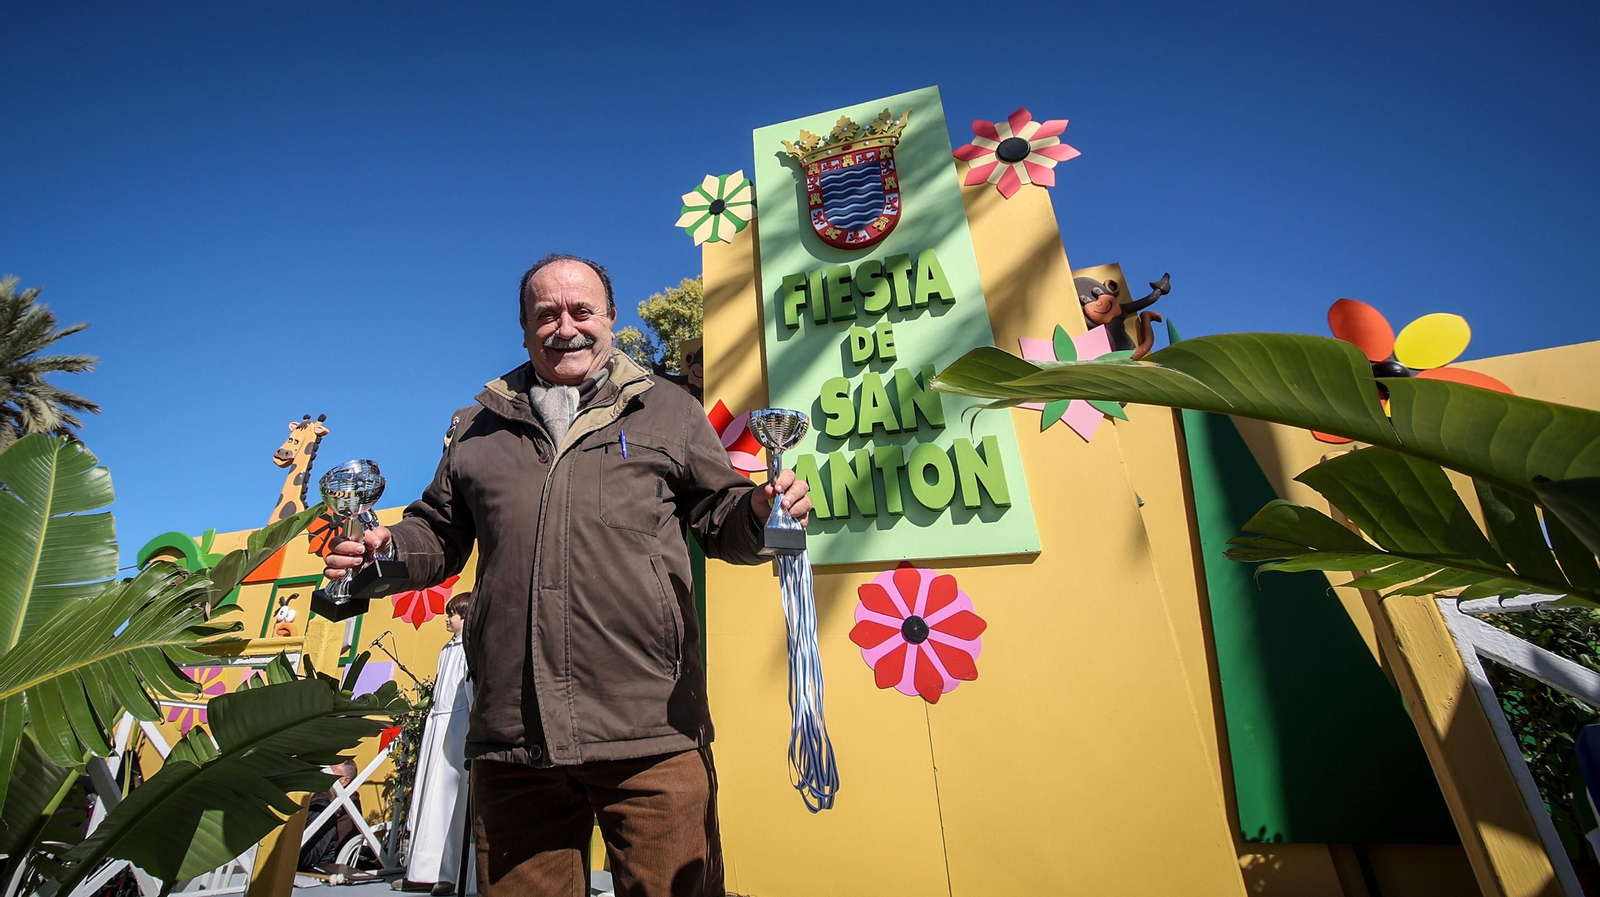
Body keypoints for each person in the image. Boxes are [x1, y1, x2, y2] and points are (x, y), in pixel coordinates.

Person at [324, 254, 812, 897]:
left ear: (610, 319)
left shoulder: (667, 409)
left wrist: (756, 510)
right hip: (513, 738)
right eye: (545, 314)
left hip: (651, 728)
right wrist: (382, 554)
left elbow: (718, 515)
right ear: (524, 330)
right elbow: (437, 534)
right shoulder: (476, 426)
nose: (565, 327)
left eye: (582, 311)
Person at [393, 593, 474, 895]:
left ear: (466, 616)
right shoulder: (446, 649)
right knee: (427, 797)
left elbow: (469, 690)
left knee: (448, 800)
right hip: (438, 724)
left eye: (453, 613)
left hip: (457, 726)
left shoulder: (469, 648)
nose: (447, 618)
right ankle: (421, 870)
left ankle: (450, 873)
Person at [298, 760, 362, 872]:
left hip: (322, 868)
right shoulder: (348, 803)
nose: (322, 775)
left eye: (330, 773)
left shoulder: (333, 807)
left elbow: (309, 854)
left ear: (344, 781)